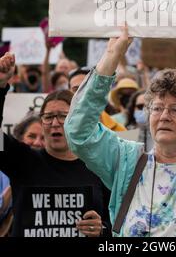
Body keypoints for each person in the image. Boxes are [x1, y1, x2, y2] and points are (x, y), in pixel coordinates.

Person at [65, 27, 176, 237]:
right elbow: (79, 133)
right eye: (157, 108)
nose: (164, 116)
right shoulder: (126, 162)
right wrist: (112, 55)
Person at [0, 52, 111, 238]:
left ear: (77, 121)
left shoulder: (99, 167)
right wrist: (1, 84)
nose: (55, 123)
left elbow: (118, 223)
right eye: (48, 117)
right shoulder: (22, 160)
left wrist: (102, 230)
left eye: (63, 116)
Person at [68, 68, 126, 132]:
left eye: (86, 88)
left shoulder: (120, 130)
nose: (82, 93)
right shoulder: (60, 127)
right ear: (68, 92)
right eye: (76, 89)